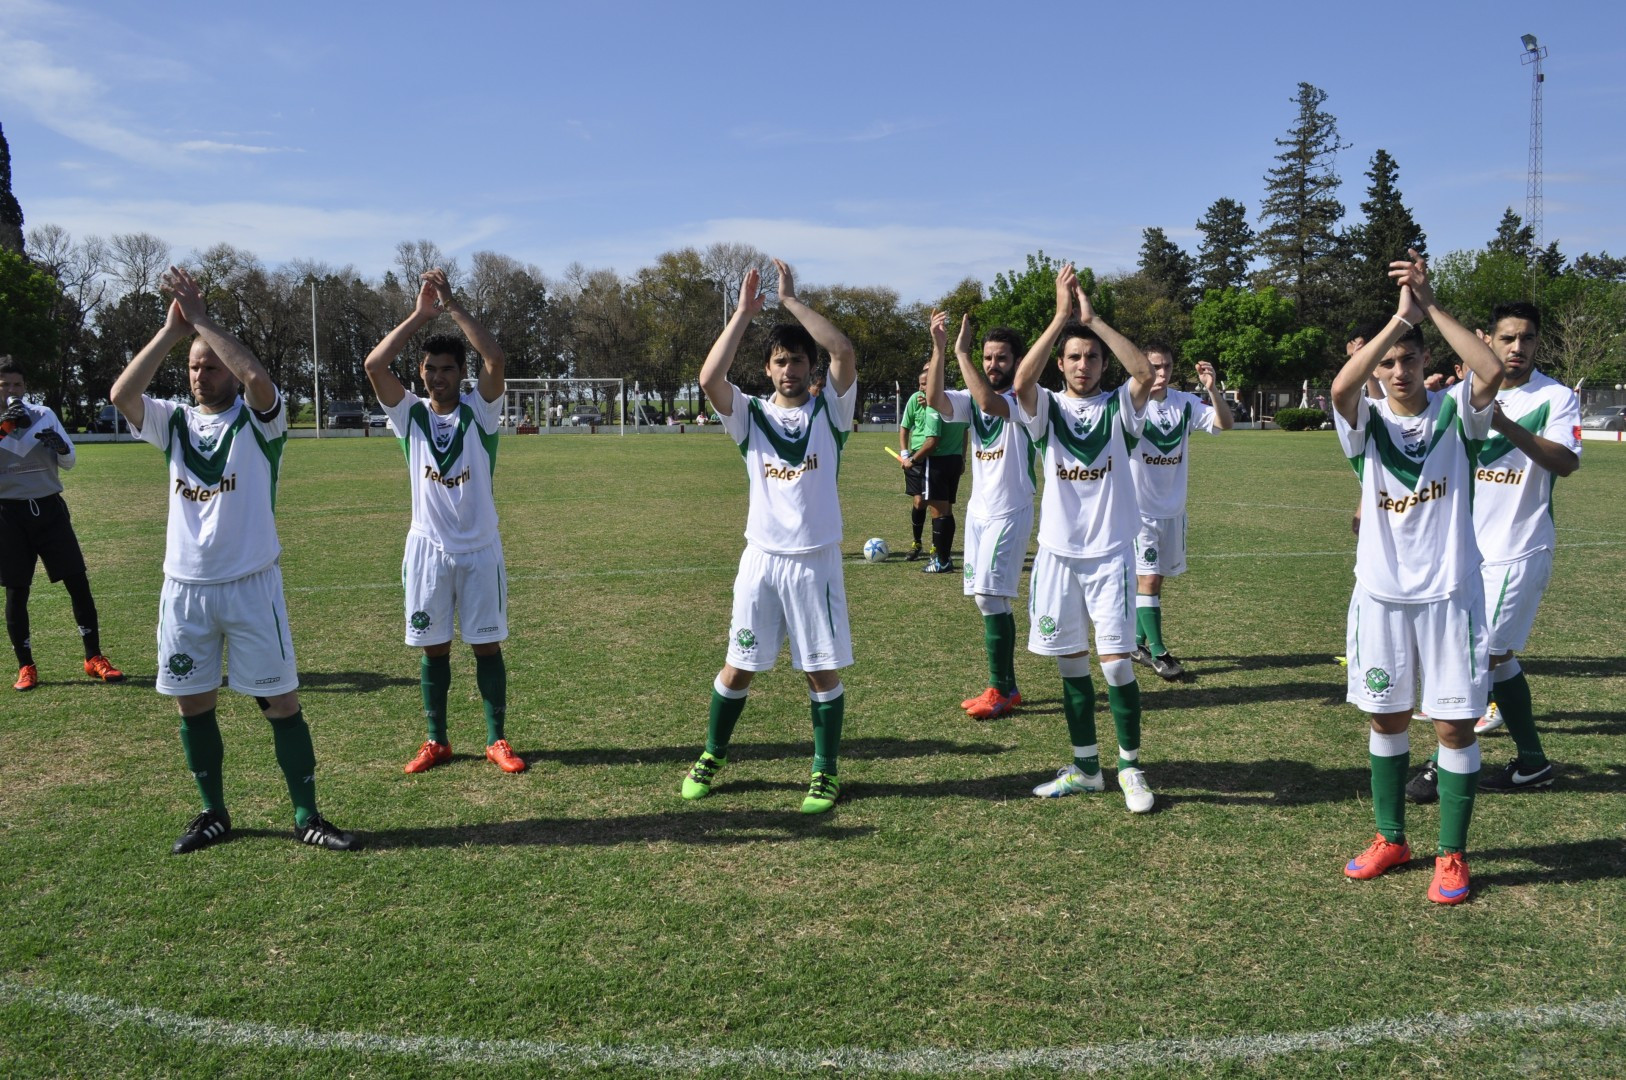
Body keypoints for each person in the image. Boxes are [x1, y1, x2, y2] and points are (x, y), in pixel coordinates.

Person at [110, 266, 355, 853]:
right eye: (194, 367)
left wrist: (202, 320)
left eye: (211, 365)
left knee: (281, 703)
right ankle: (212, 812)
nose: (201, 375)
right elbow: (122, 395)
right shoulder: (172, 421)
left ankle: (307, 815)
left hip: (251, 585)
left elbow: (257, 379)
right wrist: (173, 333)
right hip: (185, 588)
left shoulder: (260, 421)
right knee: (193, 705)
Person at [1331, 249, 1502, 905]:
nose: (1398, 370)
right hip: (1381, 595)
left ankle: (1452, 855)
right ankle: (1392, 838)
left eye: (1409, 359)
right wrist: (1395, 323)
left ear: (1427, 360)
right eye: (1389, 363)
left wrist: (1427, 304)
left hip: (1451, 595)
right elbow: (1341, 390)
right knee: (1386, 719)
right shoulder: (1367, 422)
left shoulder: (1457, 413)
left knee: (1454, 728)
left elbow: (1490, 369)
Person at [680, 258, 858, 814]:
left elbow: (843, 351)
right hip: (760, 560)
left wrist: (790, 303)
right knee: (738, 665)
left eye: (798, 360)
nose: (789, 369)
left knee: (819, 669)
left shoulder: (831, 413)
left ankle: (824, 770)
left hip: (813, 561)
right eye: (780, 361)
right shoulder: (750, 415)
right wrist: (741, 314)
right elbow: (709, 379)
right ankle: (712, 754)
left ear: (810, 367)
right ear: (767, 368)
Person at [1406, 301, 1581, 803]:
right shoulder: (1461, 394)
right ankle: (1533, 762)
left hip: (1518, 546)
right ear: (1486, 339)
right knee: (1496, 660)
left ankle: (1442, 764)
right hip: (1464, 550)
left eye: (1527, 338)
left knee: (1478, 657)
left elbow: (1566, 462)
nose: (1517, 348)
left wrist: (1505, 425)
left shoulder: (1554, 396)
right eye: (1507, 338)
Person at [364, 269, 526, 776]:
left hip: (479, 548)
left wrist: (453, 307)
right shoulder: (408, 415)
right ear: (421, 372)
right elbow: (374, 365)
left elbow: (495, 360)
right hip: (427, 550)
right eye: (431, 369)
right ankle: (437, 740)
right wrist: (419, 315)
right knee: (433, 648)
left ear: (461, 374)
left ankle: (496, 739)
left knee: (486, 645)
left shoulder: (481, 412)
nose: (438, 377)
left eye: (448, 369)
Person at [1011, 264, 1157, 813]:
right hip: (1057, 556)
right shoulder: (1046, 408)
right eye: (1074, 356)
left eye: (1091, 357)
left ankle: (1131, 767)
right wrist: (1059, 319)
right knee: (1071, 665)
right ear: (1062, 362)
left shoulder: (1120, 407)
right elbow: (1020, 384)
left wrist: (1093, 320)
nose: (1082, 364)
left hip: (1110, 555)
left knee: (1116, 664)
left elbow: (1143, 373)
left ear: (1101, 362)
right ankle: (1087, 768)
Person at [921, 312, 1035, 720]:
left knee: (990, 596)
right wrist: (939, 349)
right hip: (979, 511)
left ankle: (1000, 688)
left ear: (1018, 361)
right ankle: (1006, 688)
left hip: (1010, 509)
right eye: (987, 358)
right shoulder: (972, 400)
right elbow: (935, 399)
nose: (992, 365)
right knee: (989, 600)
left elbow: (988, 401)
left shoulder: (1026, 397)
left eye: (1001, 358)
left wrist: (961, 352)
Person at [0, 358, 124, 691]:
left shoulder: (44, 415)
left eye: (17, 384)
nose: (11, 390)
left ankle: (94, 657)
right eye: (5, 385)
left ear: (25, 387)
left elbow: (69, 462)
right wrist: (4, 428)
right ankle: (26, 666)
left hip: (50, 510)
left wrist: (62, 447)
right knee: (17, 591)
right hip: (8, 516)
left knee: (78, 583)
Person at [1126, 344, 1232, 680]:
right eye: (1154, 367)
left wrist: (1212, 389)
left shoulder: (1184, 403)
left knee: (1156, 580)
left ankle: (1137, 643)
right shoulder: (1129, 402)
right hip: (1138, 513)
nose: (1161, 373)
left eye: (1167, 367)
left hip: (1173, 510)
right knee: (1148, 579)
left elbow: (1225, 423)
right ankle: (1159, 653)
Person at [898, 366, 967, 571]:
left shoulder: (935, 406)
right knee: (928, 504)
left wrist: (913, 460)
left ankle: (940, 557)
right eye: (921, 384)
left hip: (934, 460)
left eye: (927, 384)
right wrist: (905, 453)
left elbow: (932, 442)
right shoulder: (956, 399)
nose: (922, 388)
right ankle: (926, 547)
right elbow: (905, 427)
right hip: (940, 460)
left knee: (940, 510)